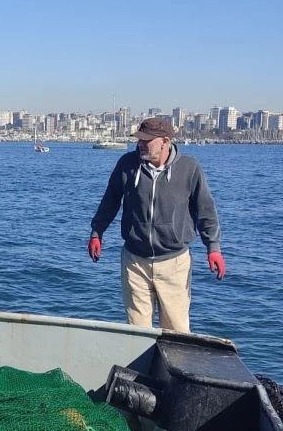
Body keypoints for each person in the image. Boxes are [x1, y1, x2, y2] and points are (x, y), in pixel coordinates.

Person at [87, 117, 226, 332]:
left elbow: (206, 211)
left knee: (177, 332)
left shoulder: (189, 169)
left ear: (165, 141)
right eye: (139, 140)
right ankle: (140, 366)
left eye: (147, 140)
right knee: (137, 331)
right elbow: (110, 200)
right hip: (135, 261)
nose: (140, 144)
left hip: (174, 263)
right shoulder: (127, 165)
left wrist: (213, 248)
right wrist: (97, 232)